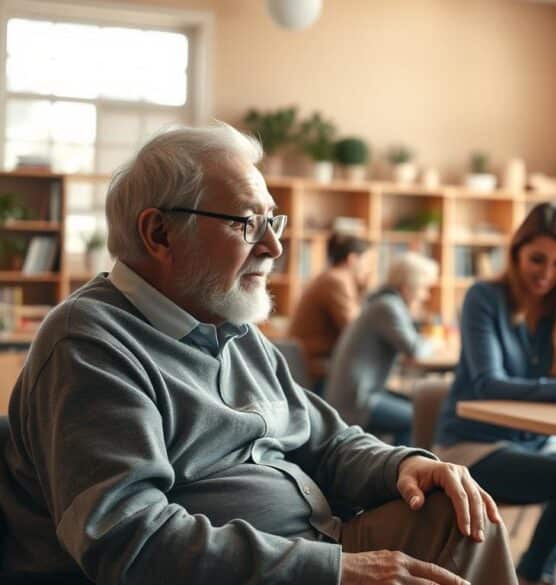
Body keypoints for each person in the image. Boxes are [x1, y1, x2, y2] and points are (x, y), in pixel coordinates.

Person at [0, 124, 516, 585]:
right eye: (247, 223)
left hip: (314, 541)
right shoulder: (89, 344)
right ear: (158, 233)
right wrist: (333, 571)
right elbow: (129, 541)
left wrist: (402, 462)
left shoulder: (231, 322)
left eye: (275, 222)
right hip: (255, 570)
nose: (273, 247)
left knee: (463, 515)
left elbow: (327, 440)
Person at [434, 202, 556, 585]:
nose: (547, 274)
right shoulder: (484, 297)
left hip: (537, 443)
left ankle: (532, 571)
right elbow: (488, 383)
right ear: (516, 252)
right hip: (473, 445)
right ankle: (535, 574)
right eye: (537, 259)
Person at [322, 252, 438, 446]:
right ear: (409, 286)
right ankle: (403, 469)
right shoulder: (387, 306)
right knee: (418, 420)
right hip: (357, 400)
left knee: (417, 406)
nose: (425, 296)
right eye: (424, 289)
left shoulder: (383, 303)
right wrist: (435, 341)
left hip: (362, 393)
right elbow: (413, 349)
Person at [288, 233, 371, 391]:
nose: (369, 269)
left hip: (314, 365)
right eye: (367, 262)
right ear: (353, 259)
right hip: (318, 371)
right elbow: (355, 330)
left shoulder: (331, 278)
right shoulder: (337, 281)